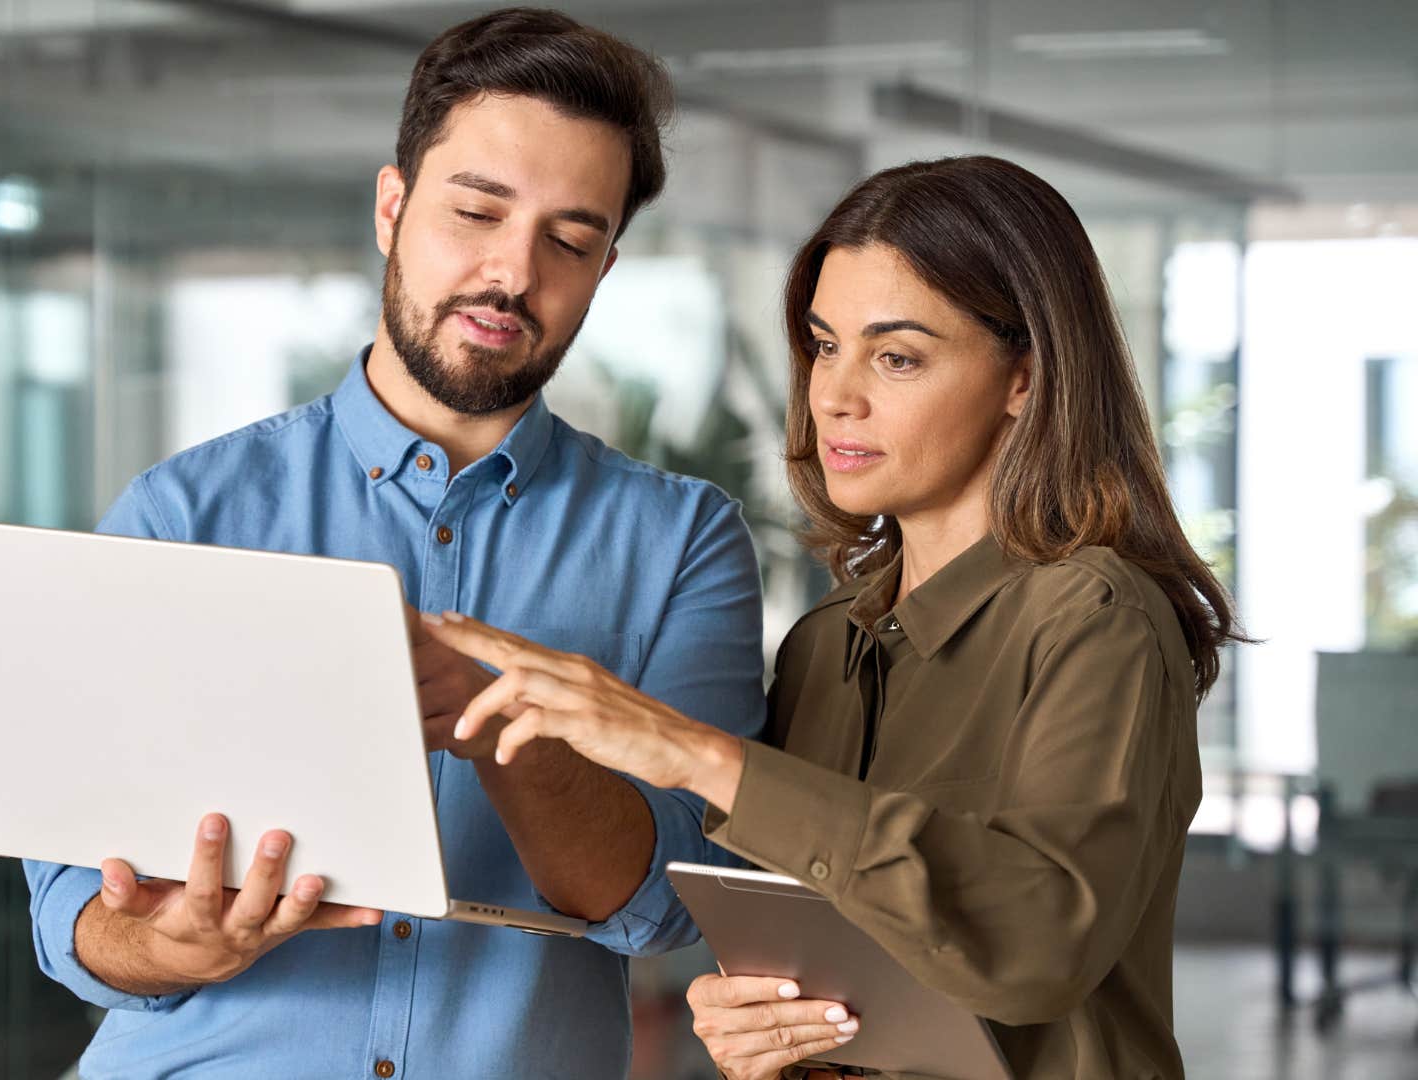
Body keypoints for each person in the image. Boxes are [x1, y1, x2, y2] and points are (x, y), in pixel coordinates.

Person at [22, 9, 767, 1077]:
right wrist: (162, 942)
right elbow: (69, 912)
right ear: (392, 206)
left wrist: (494, 721)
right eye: (476, 211)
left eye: (570, 239)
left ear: (605, 267)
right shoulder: (183, 515)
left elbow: (665, 906)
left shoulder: (682, 540)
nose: (513, 274)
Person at [425, 154, 1243, 1079]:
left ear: (1026, 378)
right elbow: (827, 958)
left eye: (896, 357)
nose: (835, 396)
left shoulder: (1096, 616)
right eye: (824, 345)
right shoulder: (825, 646)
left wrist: (696, 753)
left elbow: (1036, 944)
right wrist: (752, 1021)